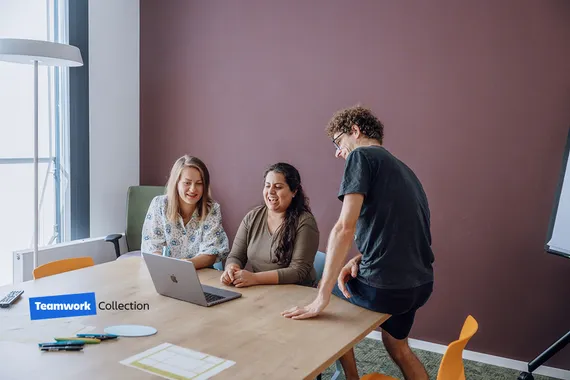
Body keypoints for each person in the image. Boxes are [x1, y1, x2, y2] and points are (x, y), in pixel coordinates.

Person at [282, 106, 435, 380]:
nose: (338, 152)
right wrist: (360, 258)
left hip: (386, 288)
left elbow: (344, 227)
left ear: (355, 130)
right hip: (419, 285)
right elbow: (405, 231)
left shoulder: (361, 156)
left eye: (338, 142)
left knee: (317, 294)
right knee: (397, 346)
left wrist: (321, 297)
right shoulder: (405, 170)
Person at [220, 162, 319, 288]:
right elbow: (236, 256)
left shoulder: (305, 221)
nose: (271, 191)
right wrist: (231, 269)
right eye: (267, 186)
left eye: (278, 187)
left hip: (297, 294)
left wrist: (255, 278)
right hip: (261, 290)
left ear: (294, 191)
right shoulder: (252, 217)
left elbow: (298, 271)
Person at [141, 155, 230, 268]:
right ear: (176, 183)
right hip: (164, 271)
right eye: (187, 183)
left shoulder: (211, 210)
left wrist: (184, 266)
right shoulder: (159, 205)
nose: (193, 189)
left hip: (200, 272)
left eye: (199, 183)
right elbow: (153, 247)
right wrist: (167, 268)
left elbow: (210, 252)